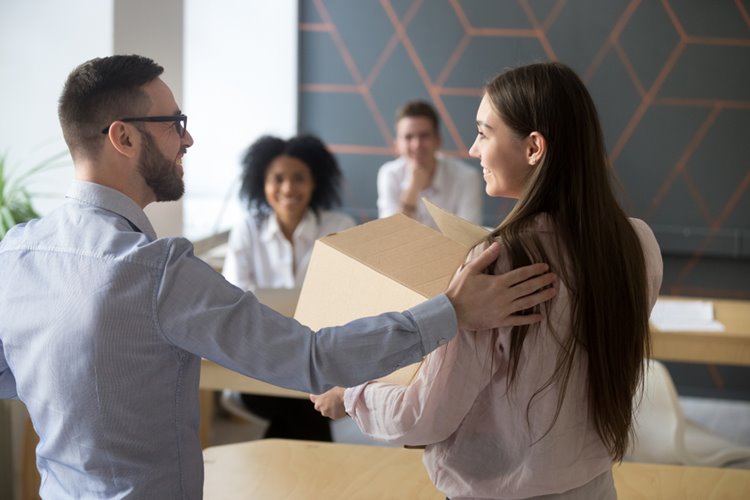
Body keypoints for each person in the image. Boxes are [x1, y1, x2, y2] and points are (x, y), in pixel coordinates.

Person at [0, 54, 558, 499]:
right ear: (123, 137)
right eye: (175, 124)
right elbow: (311, 360)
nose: (187, 139)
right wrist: (453, 311)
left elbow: (13, 374)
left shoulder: (17, 251)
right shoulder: (155, 271)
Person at [311, 62, 663, 499]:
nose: (474, 150)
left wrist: (349, 394)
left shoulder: (497, 264)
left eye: (483, 132)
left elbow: (424, 415)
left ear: (534, 147)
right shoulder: (638, 243)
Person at [222, 134, 356, 441]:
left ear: (314, 183)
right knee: (306, 411)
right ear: (262, 183)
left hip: (322, 356)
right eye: (277, 179)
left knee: (300, 406)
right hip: (262, 360)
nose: (288, 188)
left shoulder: (339, 226)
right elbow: (233, 296)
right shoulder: (247, 230)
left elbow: (349, 299)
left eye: (299, 178)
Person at [377, 100, 483, 228]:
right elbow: (389, 235)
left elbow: (468, 237)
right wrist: (412, 189)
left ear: (438, 140)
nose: (416, 145)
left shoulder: (466, 177)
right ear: (397, 144)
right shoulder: (389, 174)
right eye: (408, 137)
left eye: (424, 136)